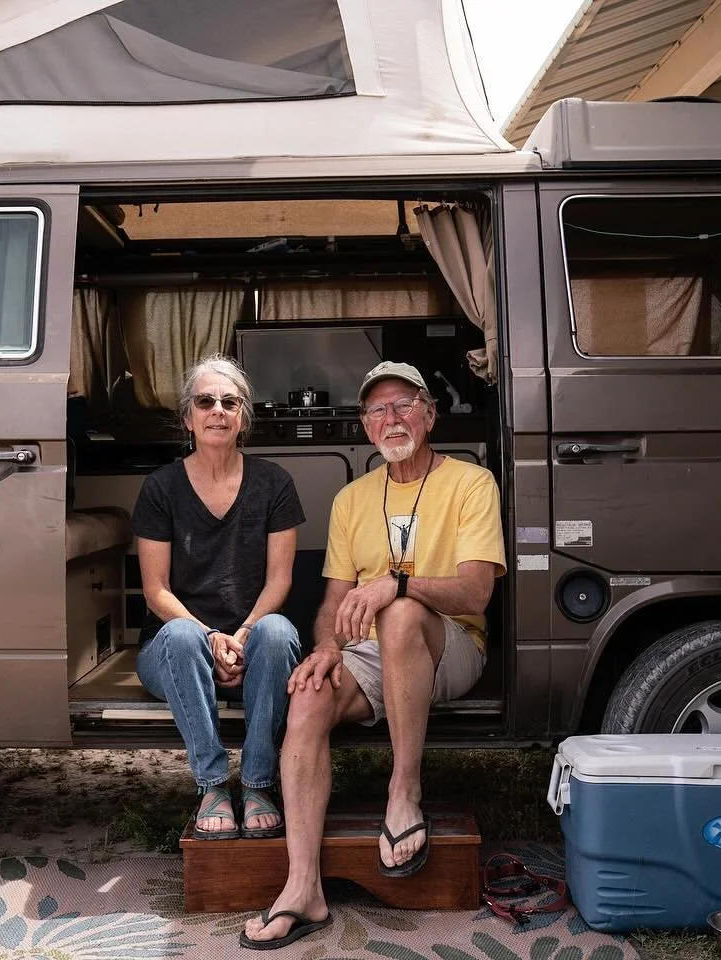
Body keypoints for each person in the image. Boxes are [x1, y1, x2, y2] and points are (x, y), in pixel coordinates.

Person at [241, 361, 505, 950]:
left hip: (449, 645)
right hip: (368, 653)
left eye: (405, 404)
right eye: (378, 410)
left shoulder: (471, 482)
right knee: (309, 694)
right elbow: (334, 601)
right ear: (365, 426)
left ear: (429, 415)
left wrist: (398, 584)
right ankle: (303, 887)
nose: (392, 418)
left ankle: (404, 790)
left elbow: (476, 593)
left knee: (401, 612)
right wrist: (326, 649)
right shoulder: (352, 499)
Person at [131, 354, 306, 841]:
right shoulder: (161, 487)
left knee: (279, 631)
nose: (218, 411)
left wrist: (243, 635)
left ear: (243, 418)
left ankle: (257, 783)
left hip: (253, 647)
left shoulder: (274, 483)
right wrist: (210, 636)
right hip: (179, 652)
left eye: (230, 402)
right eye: (205, 401)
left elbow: (280, 581)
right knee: (181, 635)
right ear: (188, 418)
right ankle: (211, 784)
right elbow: (155, 590)